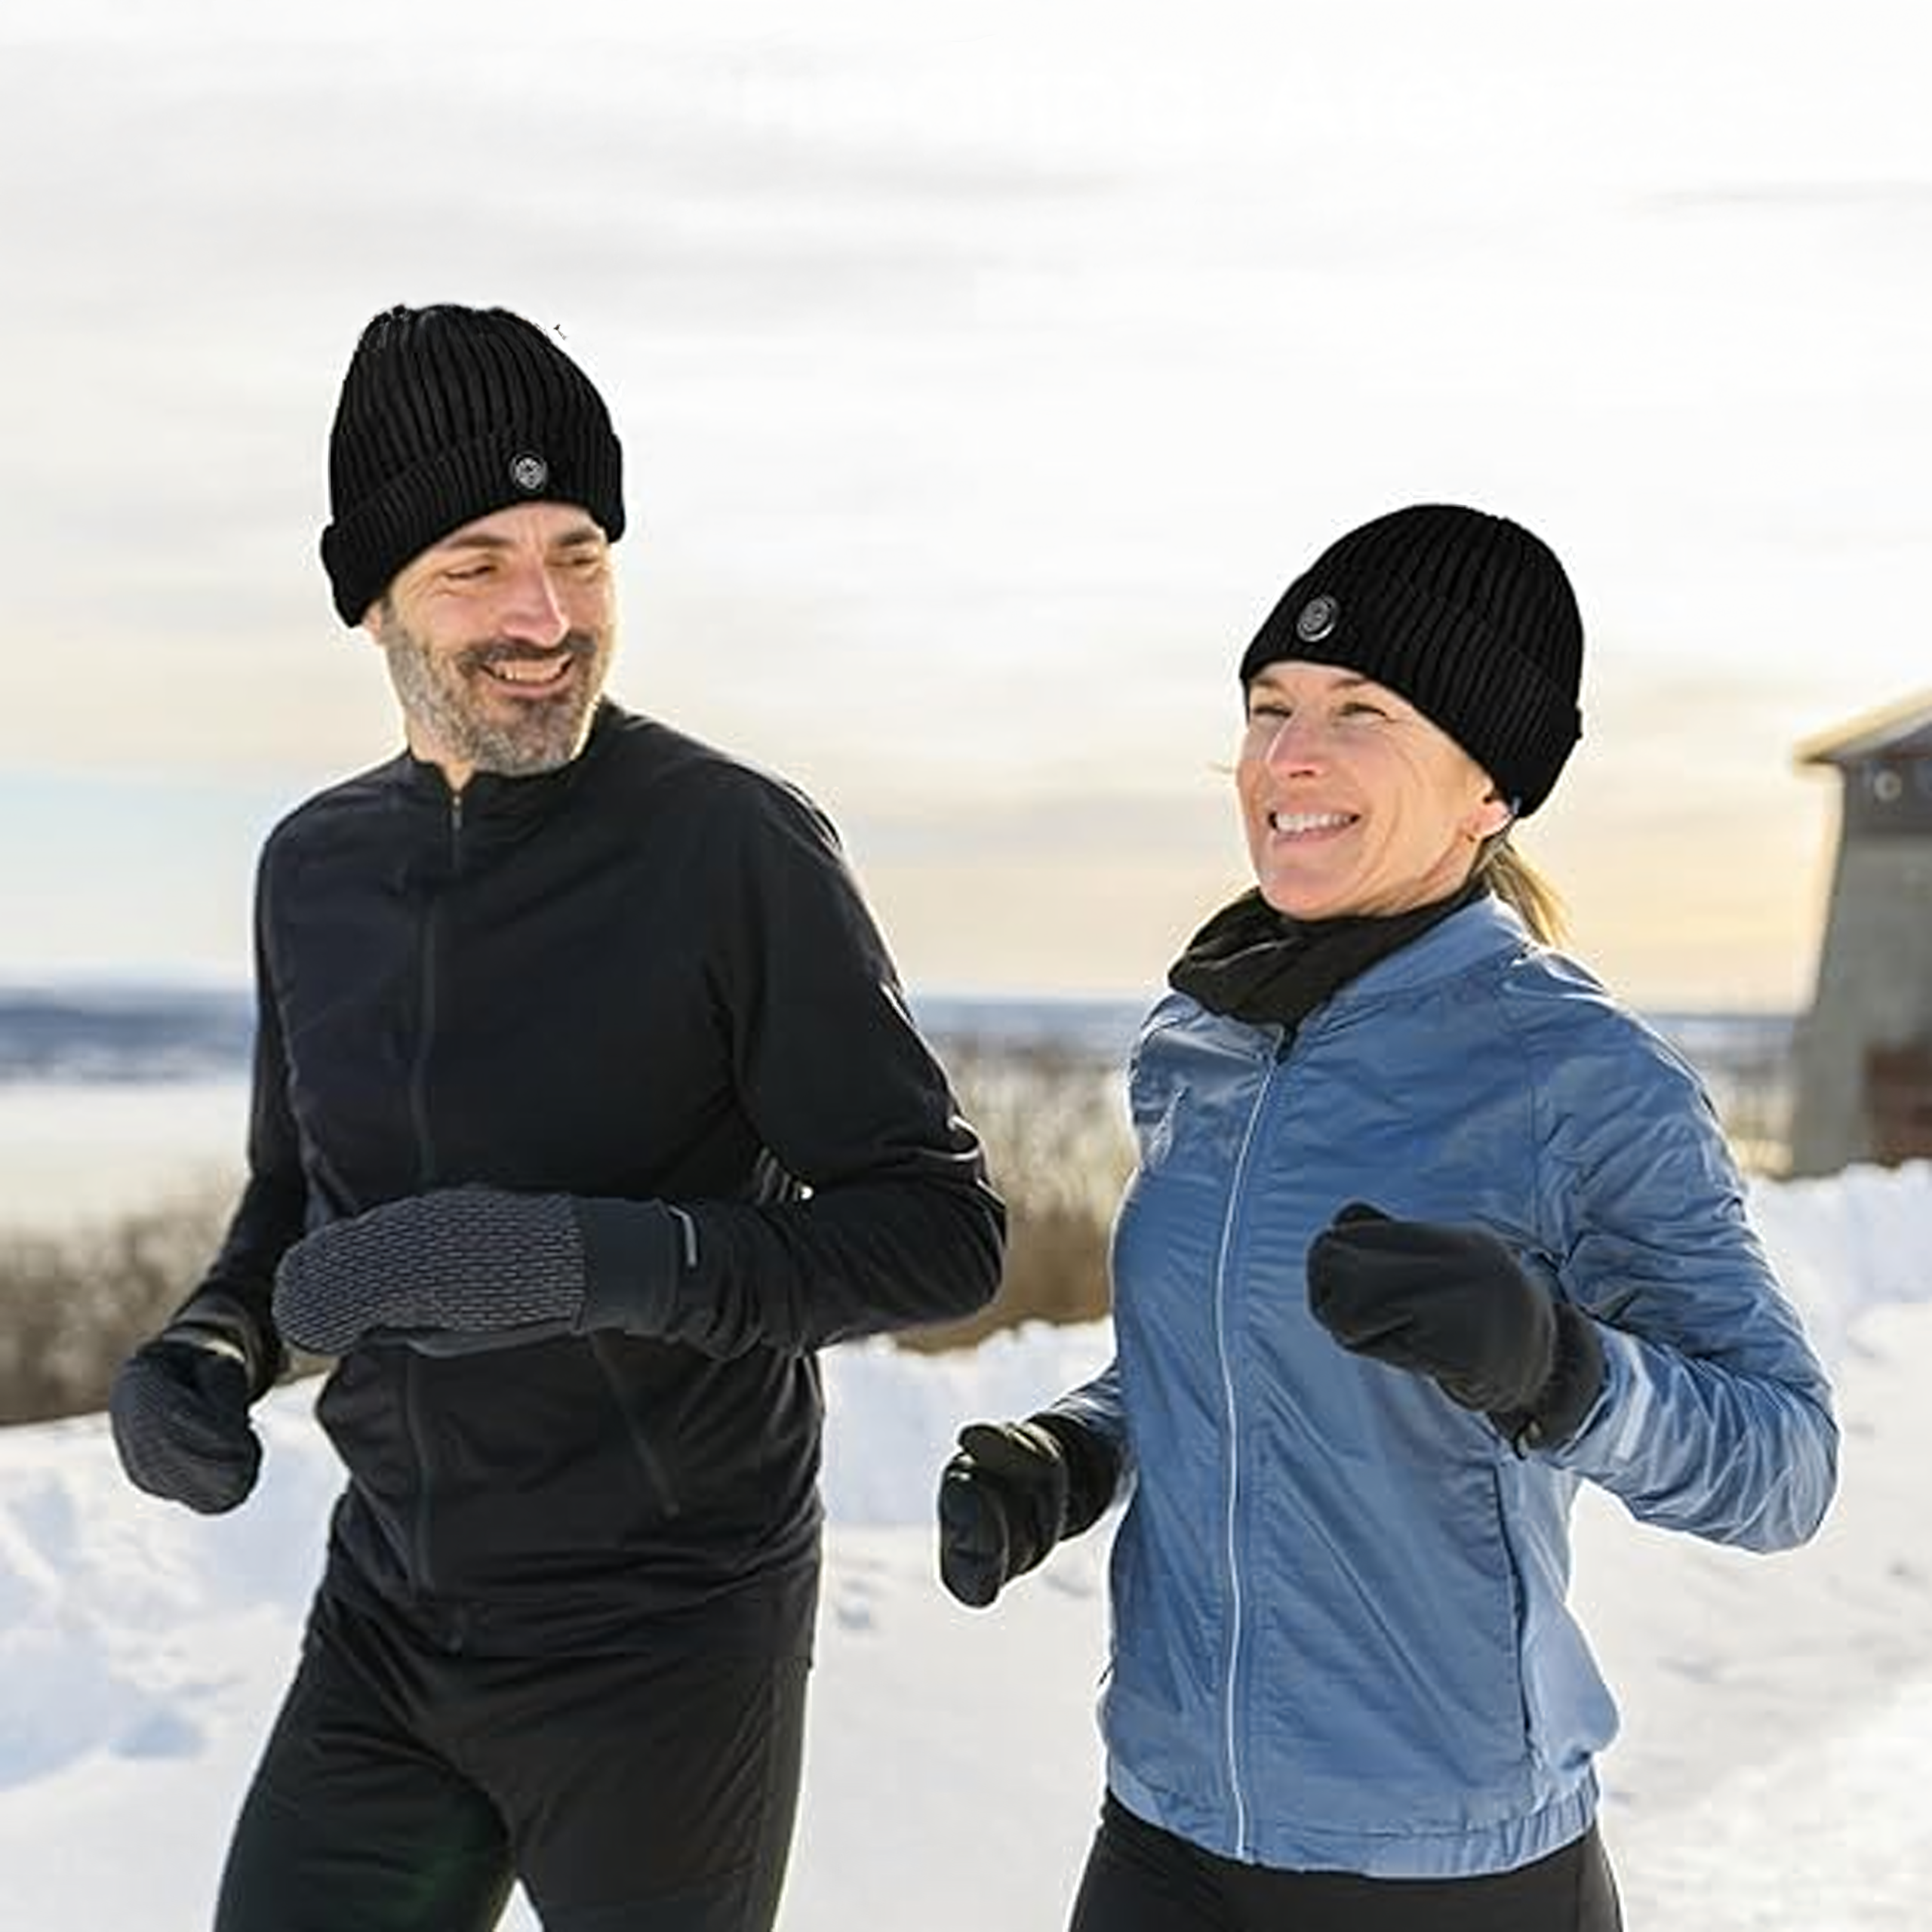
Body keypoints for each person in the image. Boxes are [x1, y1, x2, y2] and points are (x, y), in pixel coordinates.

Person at [106, 302, 1006, 1932]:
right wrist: (212, 1344)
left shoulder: (730, 845)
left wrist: (588, 1259)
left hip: (664, 1636)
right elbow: (292, 1190)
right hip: (388, 1616)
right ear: (369, 595)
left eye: (579, 552)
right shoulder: (310, 870)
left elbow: (941, 1233)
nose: (545, 614)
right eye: (476, 563)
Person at [937, 503, 1837, 1932]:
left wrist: (1558, 1370)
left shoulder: (1575, 1074)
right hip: (1166, 1822)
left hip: (1444, 1865)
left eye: (1361, 712)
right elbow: (1221, 1346)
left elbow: (1785, 1466)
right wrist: (1078, 1450)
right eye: (1269, 706)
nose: (1289, 754)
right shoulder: (1202, 1039)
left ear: (1491, 791)